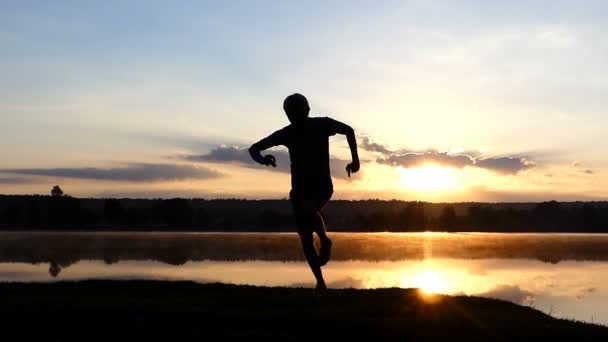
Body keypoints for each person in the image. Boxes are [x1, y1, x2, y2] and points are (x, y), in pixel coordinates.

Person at [249, 93, 360, 291]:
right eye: (290, 112)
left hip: (321, 187)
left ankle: (325, 241)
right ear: (287, 114)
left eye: (296, 111)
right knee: (306, 237)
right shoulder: (288, 133)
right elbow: (254, 149)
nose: (293, 115)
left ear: (307, 110)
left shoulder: (321, 124)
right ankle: (320, 282)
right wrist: (263, 160)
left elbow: (349, 130)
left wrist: (356, 161)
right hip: (299, 190)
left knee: (308, 210)